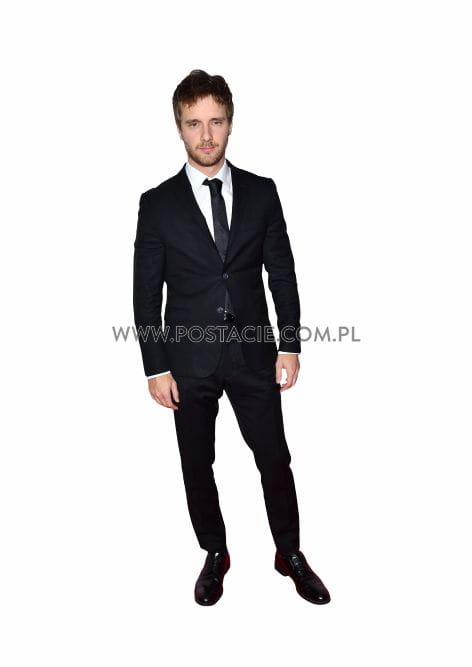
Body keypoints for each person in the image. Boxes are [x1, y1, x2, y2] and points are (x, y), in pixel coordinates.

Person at [133, 69, 331, 606]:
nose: (206, 135)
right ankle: (215, 553)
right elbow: (145, 294)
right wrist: (156, 366)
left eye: (215, 121)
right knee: (197, 464)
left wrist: (289, 344)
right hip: (187, 360)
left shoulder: (262, 193)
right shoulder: (158, 203)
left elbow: (282, 274)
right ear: (179, 126)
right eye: (194, 123)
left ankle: (289, 552)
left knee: (274, 458)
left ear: (230, 123)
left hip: (253, 353)